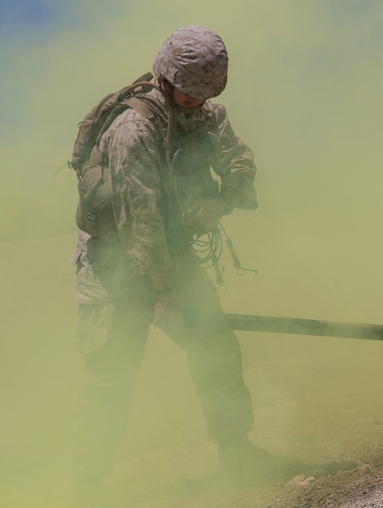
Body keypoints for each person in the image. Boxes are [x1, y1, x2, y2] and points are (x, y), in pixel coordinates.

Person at [70, 26, 302, 503]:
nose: (198, 101)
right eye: (190, 91)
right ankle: (85, 488)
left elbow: (239, 163)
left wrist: (220, 202)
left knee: (216, 350)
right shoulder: (132, 130)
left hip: (170, 256)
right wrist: (164, 292)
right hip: (115, 268)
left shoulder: (208, 115)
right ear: (165, 77)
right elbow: (139, 222)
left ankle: (237, 453)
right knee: (110, 378)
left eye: (206, 92)